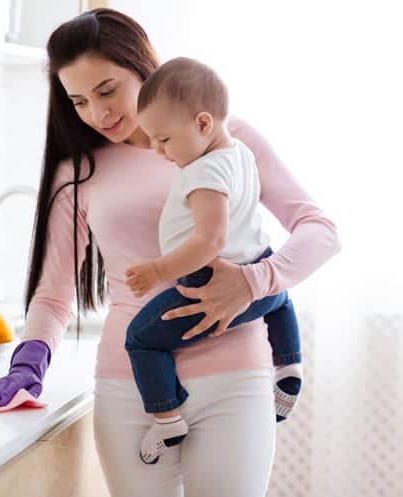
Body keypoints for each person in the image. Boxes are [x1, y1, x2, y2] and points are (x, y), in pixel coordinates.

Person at [0, 8, 340, 497]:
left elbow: (320, 230)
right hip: (130, 385)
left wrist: (256, 281)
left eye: (107, 90)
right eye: (79, 100)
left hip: (235, 377)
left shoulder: (224, 140)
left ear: (141, 64)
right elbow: (55, 291)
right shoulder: (78, 172)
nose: (97, 114)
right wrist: (29, 361)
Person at [122, 57, 303, 465]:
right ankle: (289, 365)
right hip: (260, 269)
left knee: (141, 339)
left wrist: (157, 270)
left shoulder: (203, 172)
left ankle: (166, 417)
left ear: (203, 124)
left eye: (164, 139)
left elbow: (211, 239)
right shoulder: (240, 153)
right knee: (282, 298)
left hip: (209, 284)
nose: (157, 149)